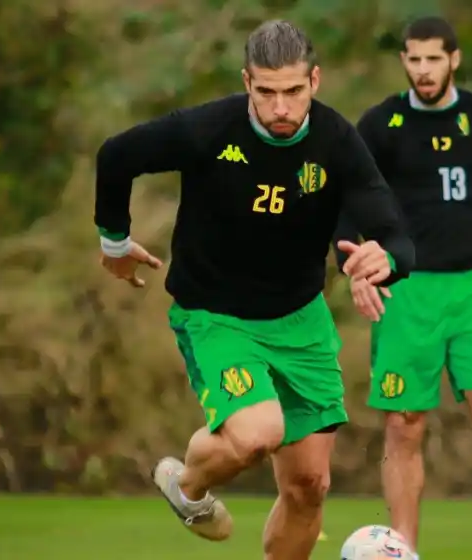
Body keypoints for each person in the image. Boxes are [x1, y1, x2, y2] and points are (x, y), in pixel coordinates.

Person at [93, 20, 415, 560]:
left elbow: (394, 230)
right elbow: (116, 155)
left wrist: (386, 259)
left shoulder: (336, 141)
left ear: (314, 79)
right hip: (217, 316)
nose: (281, 107)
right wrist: (114, 240)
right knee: (258, 431)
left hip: (301, 320)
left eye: (293, 91)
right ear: (247, 82)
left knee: (309, 485)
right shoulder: (208, 130)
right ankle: (188, 486)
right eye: (266, 92)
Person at [332, 16, 472, 560]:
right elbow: (344, 194)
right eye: (413, 59)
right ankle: (403, 551)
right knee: (405, 426)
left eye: (434, 58)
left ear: (453, 59)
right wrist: (353, 261)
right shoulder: (381, 124)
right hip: (407, 291)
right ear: (404, 62)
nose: (423, 69)